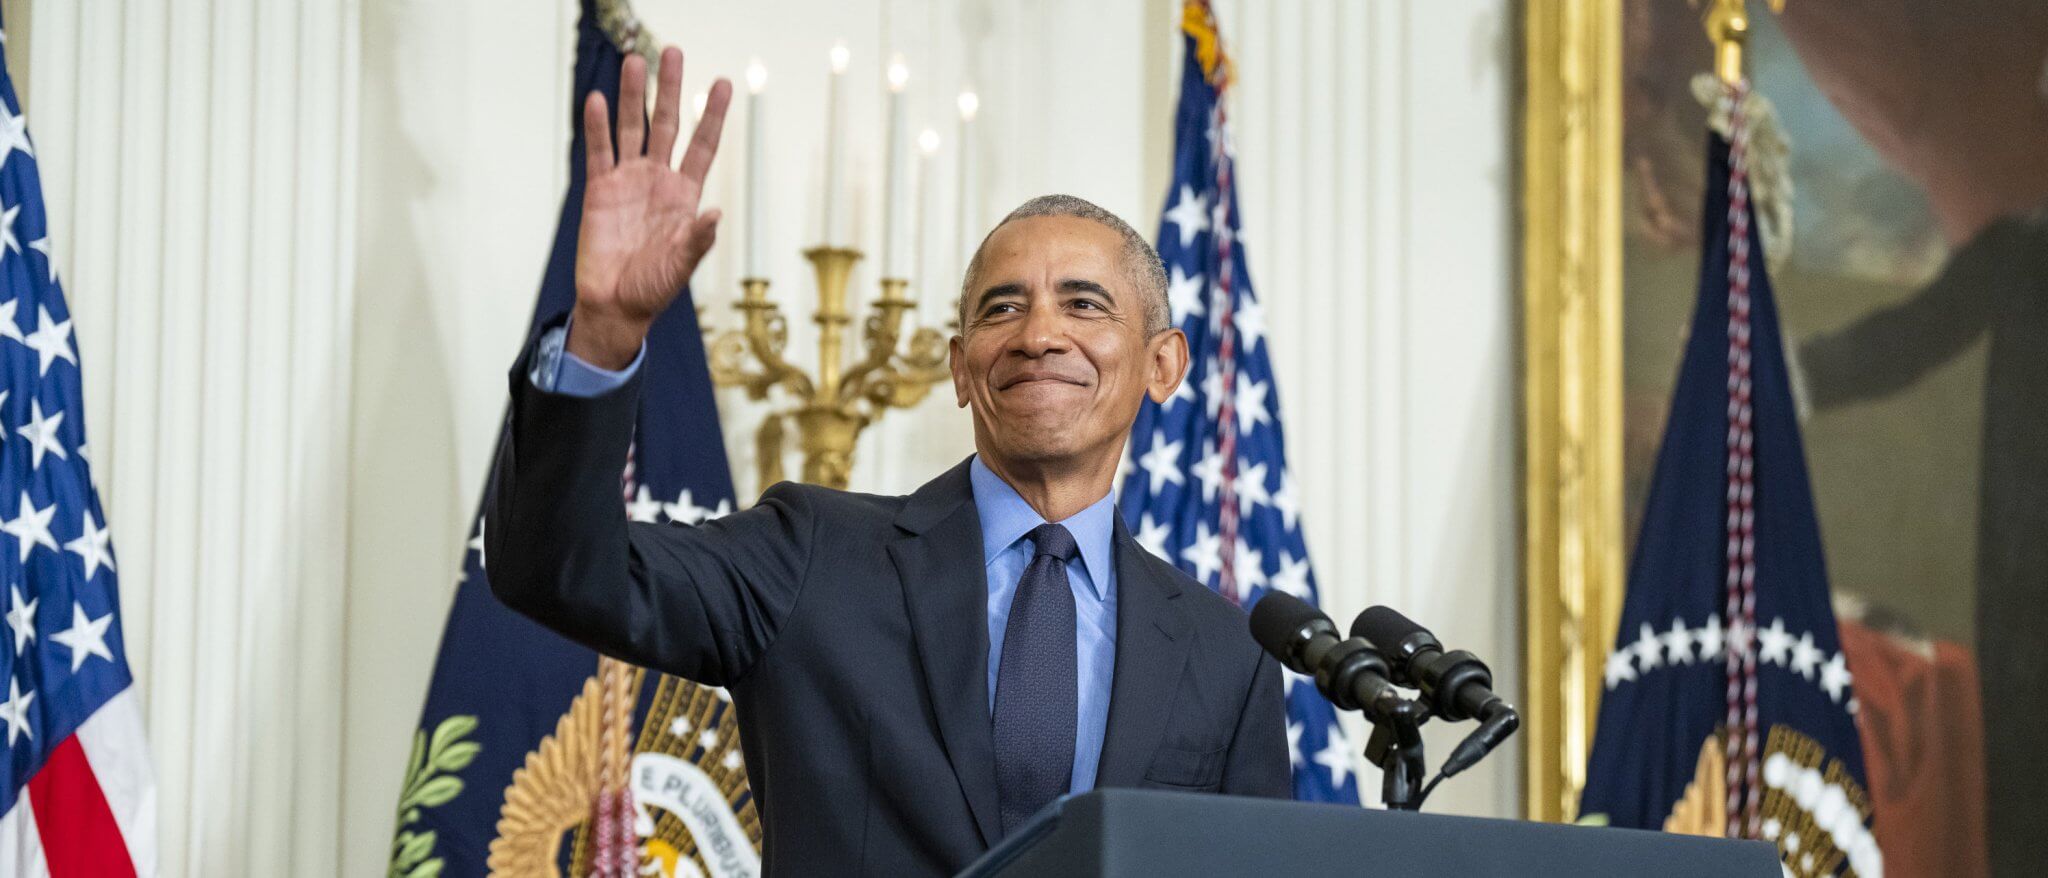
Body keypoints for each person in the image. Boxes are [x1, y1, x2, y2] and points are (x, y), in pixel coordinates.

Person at [483, 46, 1289, 876]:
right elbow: (555, 569)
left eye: (1083, 304)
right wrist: (604, 336)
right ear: (960, 366)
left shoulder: (1226, 651)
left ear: (1163, 366)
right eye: (1002, 308)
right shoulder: (810, 554)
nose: (1039, 334)